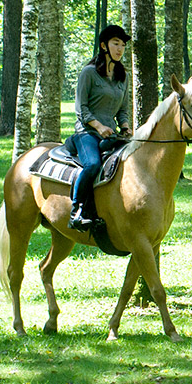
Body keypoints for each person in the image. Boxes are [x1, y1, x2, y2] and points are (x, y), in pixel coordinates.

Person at [68, 24, 132, 230]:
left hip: (111, 134)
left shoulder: (123, 76)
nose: (120, 49)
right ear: (104, 46)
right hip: (87, 132)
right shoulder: (88, 73)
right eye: (116, 43)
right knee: (93, 165)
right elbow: (81, 108)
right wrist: (98, 125)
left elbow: (123, 108)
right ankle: (76, 210)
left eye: (122, 45)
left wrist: (125, 126)